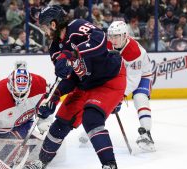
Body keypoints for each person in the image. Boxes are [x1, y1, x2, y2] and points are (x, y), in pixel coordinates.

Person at [25, 5, 126, 169]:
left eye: (44, 26)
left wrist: (72, 54)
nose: (43, 31)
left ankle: (109, 165)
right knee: (61, 122)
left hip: (108, 80)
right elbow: (69, 78)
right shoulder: (54, 48)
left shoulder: (77, 26)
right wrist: (55, 95)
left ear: (53, 24)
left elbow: (100, 39)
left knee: (91, 119)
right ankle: (41, 161)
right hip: (84, 84)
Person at [107, 21, 155, 152]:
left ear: (124, 36)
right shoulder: (109, 44)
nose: (112, 39)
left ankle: (146, 133)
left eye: (116, 36)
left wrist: (119, 97)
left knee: (140, 97)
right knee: (104, 99)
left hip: (142, 75)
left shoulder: (134, 51)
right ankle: (94, 127)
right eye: (111, 36)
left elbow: (133, 81)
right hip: (121, 72)